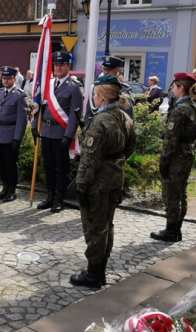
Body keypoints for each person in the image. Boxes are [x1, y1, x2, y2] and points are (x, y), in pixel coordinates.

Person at [71, 75, 136, 289]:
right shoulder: (124, 117)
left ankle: (93, 274)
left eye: (95, 94)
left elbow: (89, 159)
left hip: (98, 182)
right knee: (107, 224)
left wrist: (81, 186)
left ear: (100, 96)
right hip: (115, 178)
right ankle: (100, 270)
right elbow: (129, 148)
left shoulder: (100, 122)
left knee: (94, 227)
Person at [151, 73, 196, 243]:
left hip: (177, 156)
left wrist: (164, 161)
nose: (172, 89)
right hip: (188, 151)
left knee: (171, 194)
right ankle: (176, 229)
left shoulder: (180, 110)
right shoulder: (194, 106)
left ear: (181, 88)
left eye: (174, 86)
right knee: (181, 193)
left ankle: (171, 231)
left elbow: (170, 140)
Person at [32, 52, 83, 213]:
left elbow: (75, 115)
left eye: (62, 64)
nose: (58, 67)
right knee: (48, 166)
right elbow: (40, 108)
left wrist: (68, 136)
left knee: (62, 168)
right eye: (56, 65)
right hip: (46, 131)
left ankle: (59, 199)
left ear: (68, 66)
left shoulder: (74, 88)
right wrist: (35, 125)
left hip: (61, 133)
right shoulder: (47, 85)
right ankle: (50, 196)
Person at [0, 66, 28, 203]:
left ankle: (12, 190)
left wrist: (18, 138)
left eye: (8, 78)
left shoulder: (20, 95)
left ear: (14, 79)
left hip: (11, 134)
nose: (5, 80)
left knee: (11, 164)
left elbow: (22, 120)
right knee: (2, 164)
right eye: (4, 78)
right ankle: (4, 188)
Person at [84, 56, 134, 128]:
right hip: (95, 130)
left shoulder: (124, 89)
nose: (106, 72)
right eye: (104, 69)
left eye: (110, 69)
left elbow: (128, 117)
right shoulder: (96, 87)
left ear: (118, 69)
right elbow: (89, 114)